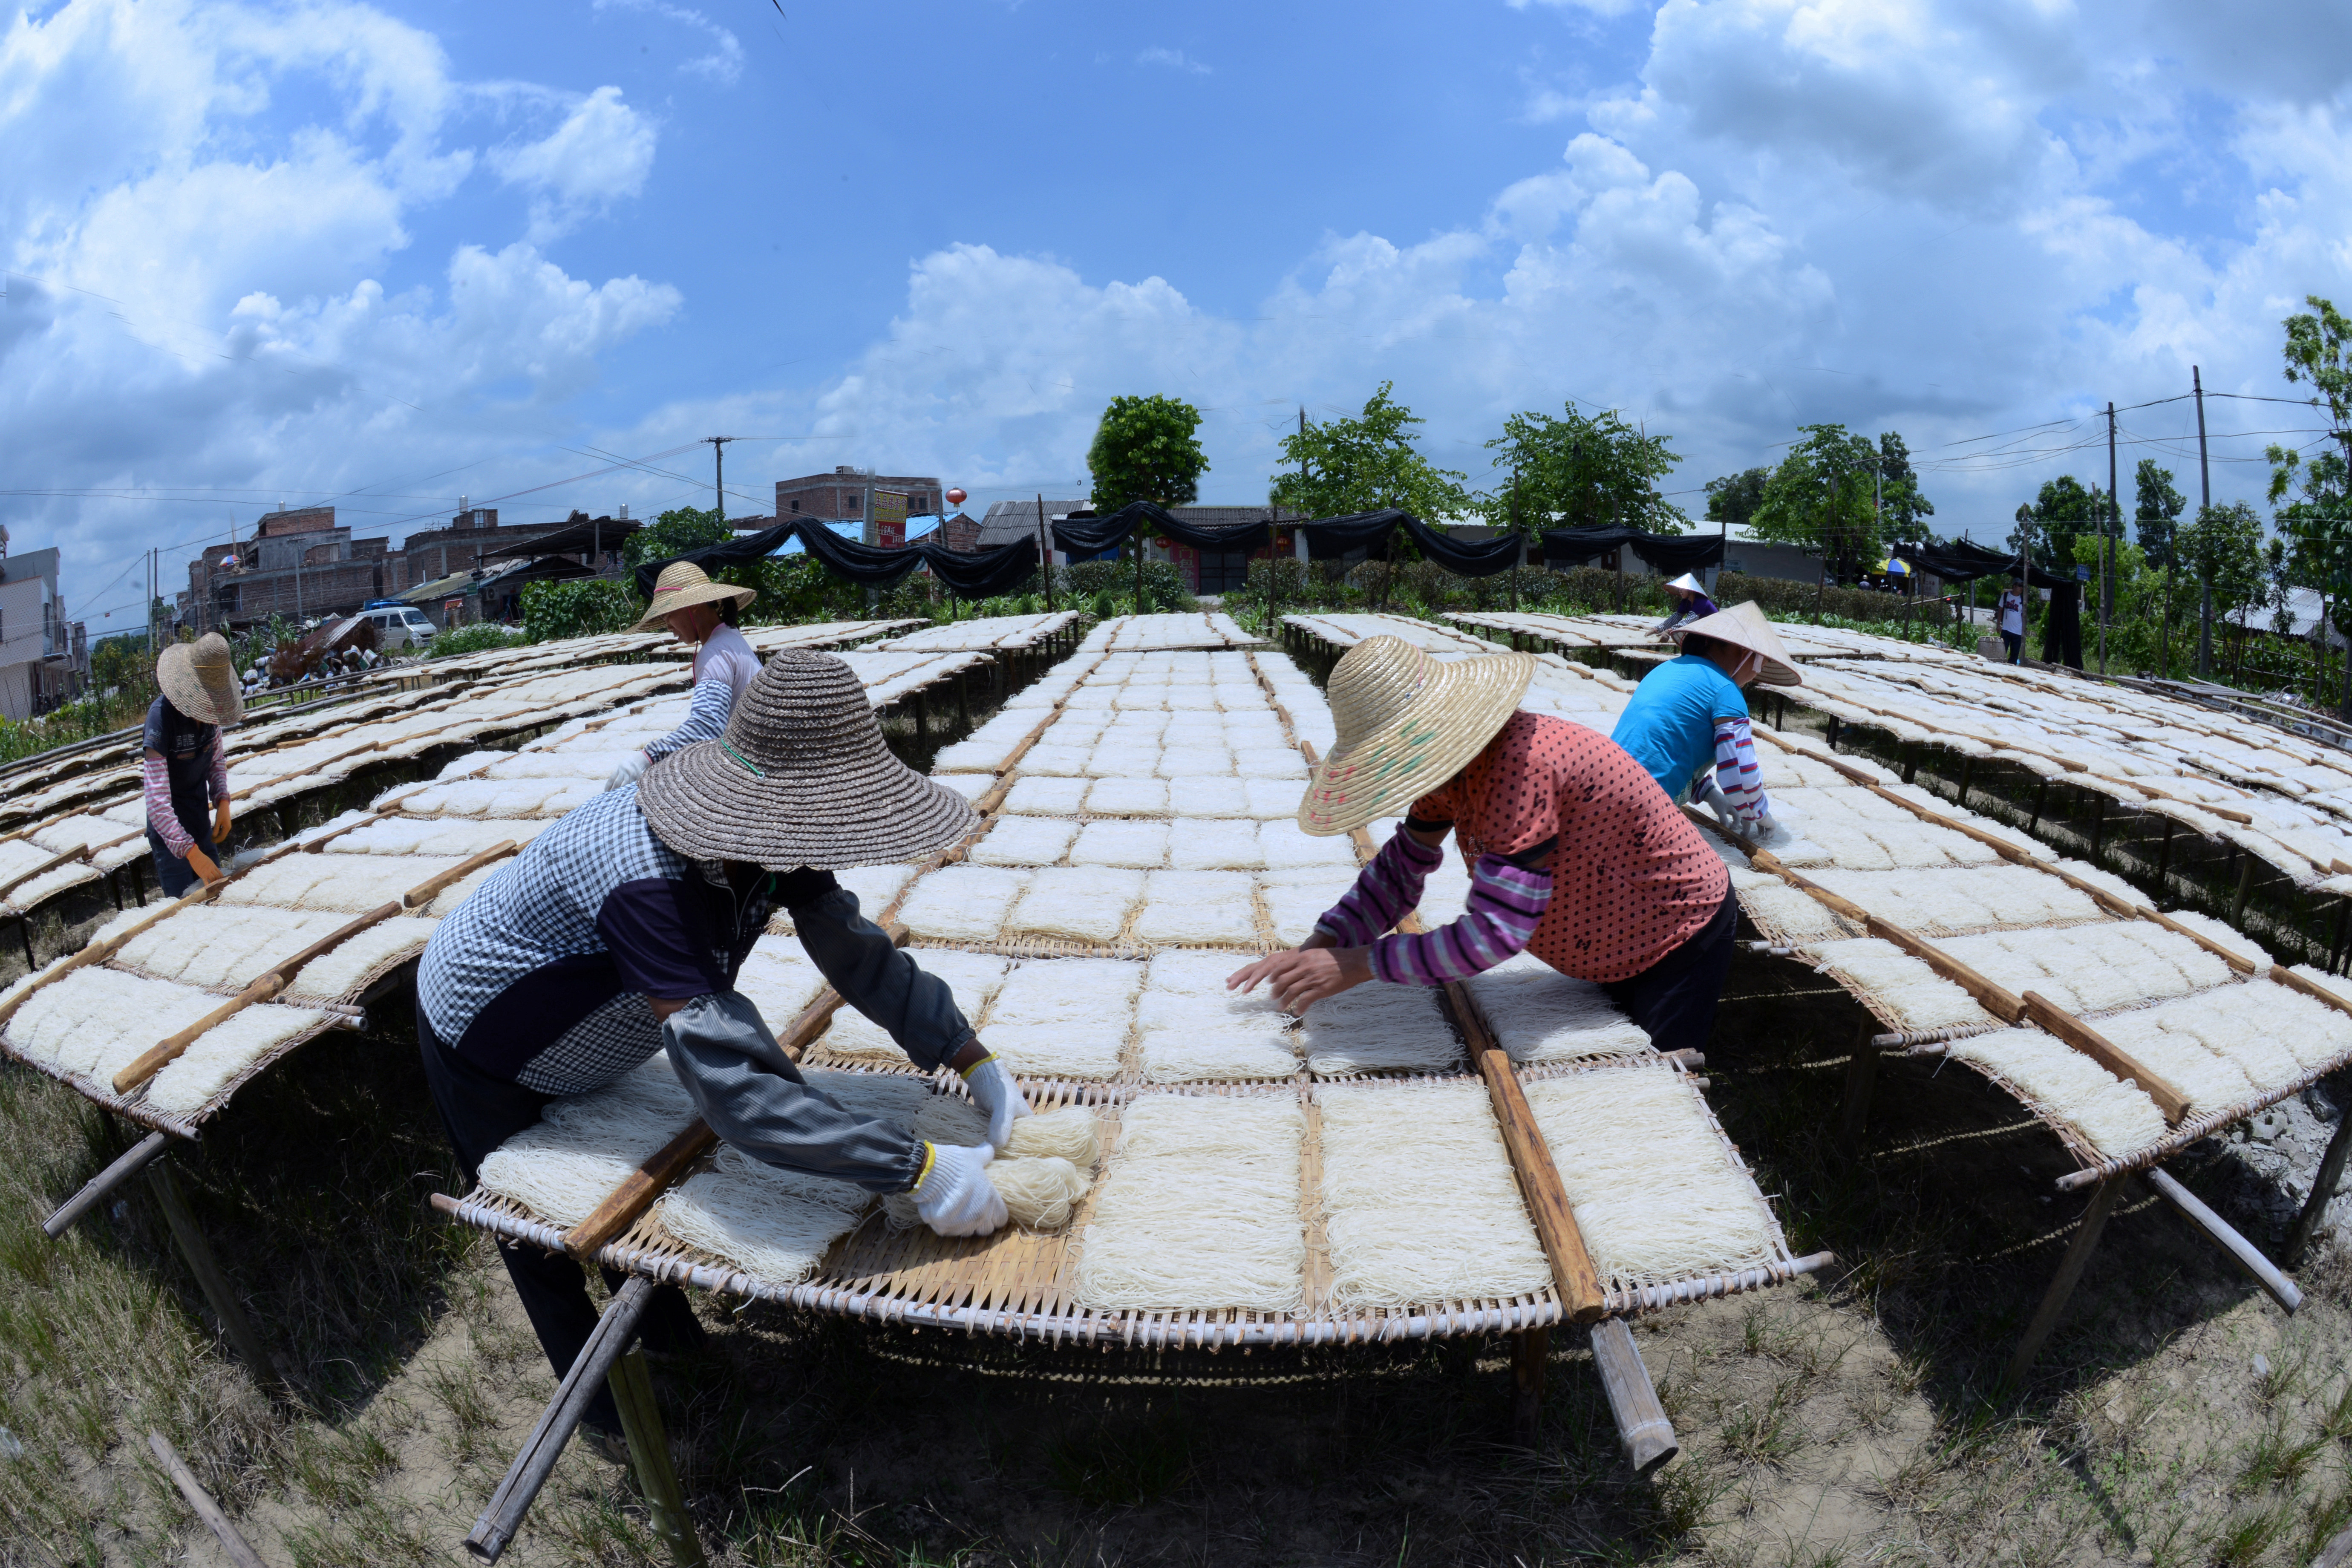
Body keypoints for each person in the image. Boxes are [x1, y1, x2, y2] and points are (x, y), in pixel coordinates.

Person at [418, 651, 1026, 1443]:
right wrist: (916, 1169)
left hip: (598, 1029)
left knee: (612, 1173)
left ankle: (676, 1347)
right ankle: (607, 1419)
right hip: (487, 1034)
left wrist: (967, 1053)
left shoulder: (772, 834)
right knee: (539, 1225)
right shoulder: (649, 878)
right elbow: (738, 1092)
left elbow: (853, 949)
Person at [1226, 636, 1736, 1055]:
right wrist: (1323, 944)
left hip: (1675, 931)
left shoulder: (1522, 769)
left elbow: (1497, 931)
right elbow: (1401, 870)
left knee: (1651, 1085)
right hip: (1605, 924)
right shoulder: (1447, 772)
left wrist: (1362, 963)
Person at [1610, 601, 1798, 836]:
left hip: (1606, 787)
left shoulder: (1667, 669)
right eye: (1761, 664)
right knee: (1712, 873)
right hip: (1641, 812)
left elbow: (1670, 745)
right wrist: (1761, 815)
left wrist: (1709, 794)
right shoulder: (1726, 691)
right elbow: (1740, 774)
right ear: (1745, 653)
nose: (1756, 674)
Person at [605, 562, 764, 791]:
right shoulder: (730, 638)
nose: (668, 625)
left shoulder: (714, 654)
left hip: (751, 767)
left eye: (669, 614)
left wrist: (647, 758)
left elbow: (708, 727)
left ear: (696, 606)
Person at [142, 633, 244, 897]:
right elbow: (157, 801)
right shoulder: (161, 720)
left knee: (216, 897)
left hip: (200, 822)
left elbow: (216, 760)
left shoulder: (212, 716)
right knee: (186, 909)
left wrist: (222, 801)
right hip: (170, 836)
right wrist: (189, 852)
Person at [1653, 572, 1719, 633]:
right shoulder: (1686, 602)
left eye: (1682, 590)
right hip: (1702, 628)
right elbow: (1676, 617)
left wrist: (1669, 631)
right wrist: (1657, 629)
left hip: (1714, 627)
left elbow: (1689, 621)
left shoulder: (1701, 601)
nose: (1680, 592)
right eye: (1679, 590)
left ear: (1689, 590)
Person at [1996, 580, 2026, 663]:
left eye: (2023, 586)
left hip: (2018, 632)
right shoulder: (2006, 596)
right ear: (2014, 586)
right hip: (2006, 630)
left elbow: (2024, 615)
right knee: (2002, 653)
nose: (2022, 588)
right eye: (2020, 586)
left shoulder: (2023, 600)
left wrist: (2024, 630)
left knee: (2014, 655)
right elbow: (2000, 610)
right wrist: (1998, 625)